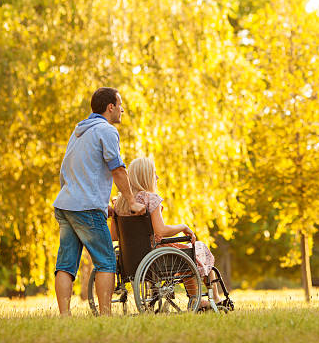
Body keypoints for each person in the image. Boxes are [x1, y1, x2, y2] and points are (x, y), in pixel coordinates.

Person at [53, 87, 145, 316]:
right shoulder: (106, 130)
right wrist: (131, 201)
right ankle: (105, 316)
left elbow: (65, 172)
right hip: (85, 207)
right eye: (120, 104)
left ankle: (64, 318)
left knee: (66, 265)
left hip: (66, 204)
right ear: (110, 107)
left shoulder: (78, 132)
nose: (122, 109)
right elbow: (118, 169)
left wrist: (101, 202)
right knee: (106, 262)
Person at [113, 156, 223, 310]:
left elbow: (115, 236)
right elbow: (161, 231)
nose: (157, 177)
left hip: (131, 259)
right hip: (156, 254)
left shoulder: (119, 202)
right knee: (197, 249)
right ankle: (207, 299)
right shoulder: (151, 199)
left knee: (189, 253)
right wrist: (183, 227)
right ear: (146, 177)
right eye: (154, 174)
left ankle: (206, 298)